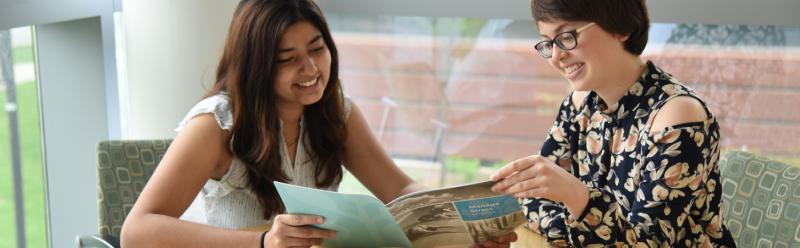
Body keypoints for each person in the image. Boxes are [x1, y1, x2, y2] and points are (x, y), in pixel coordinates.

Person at [121, 0, 515, 247]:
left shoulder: (335, 112)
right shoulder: (217, 124)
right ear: (258, 66)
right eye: (287, 58)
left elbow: (401, 190)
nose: (310, 69)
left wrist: (465, 226)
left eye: (317, 49)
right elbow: (136, 232)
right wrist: (263, 243)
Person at [489, 0, 737, 247]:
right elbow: (531, 202)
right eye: (548, 42)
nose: (556, 56)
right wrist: (574, 221)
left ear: (621, 28)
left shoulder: (677, 116)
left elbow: (649, 243)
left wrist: (577, 198)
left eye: (566, 36)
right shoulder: (578, 105)